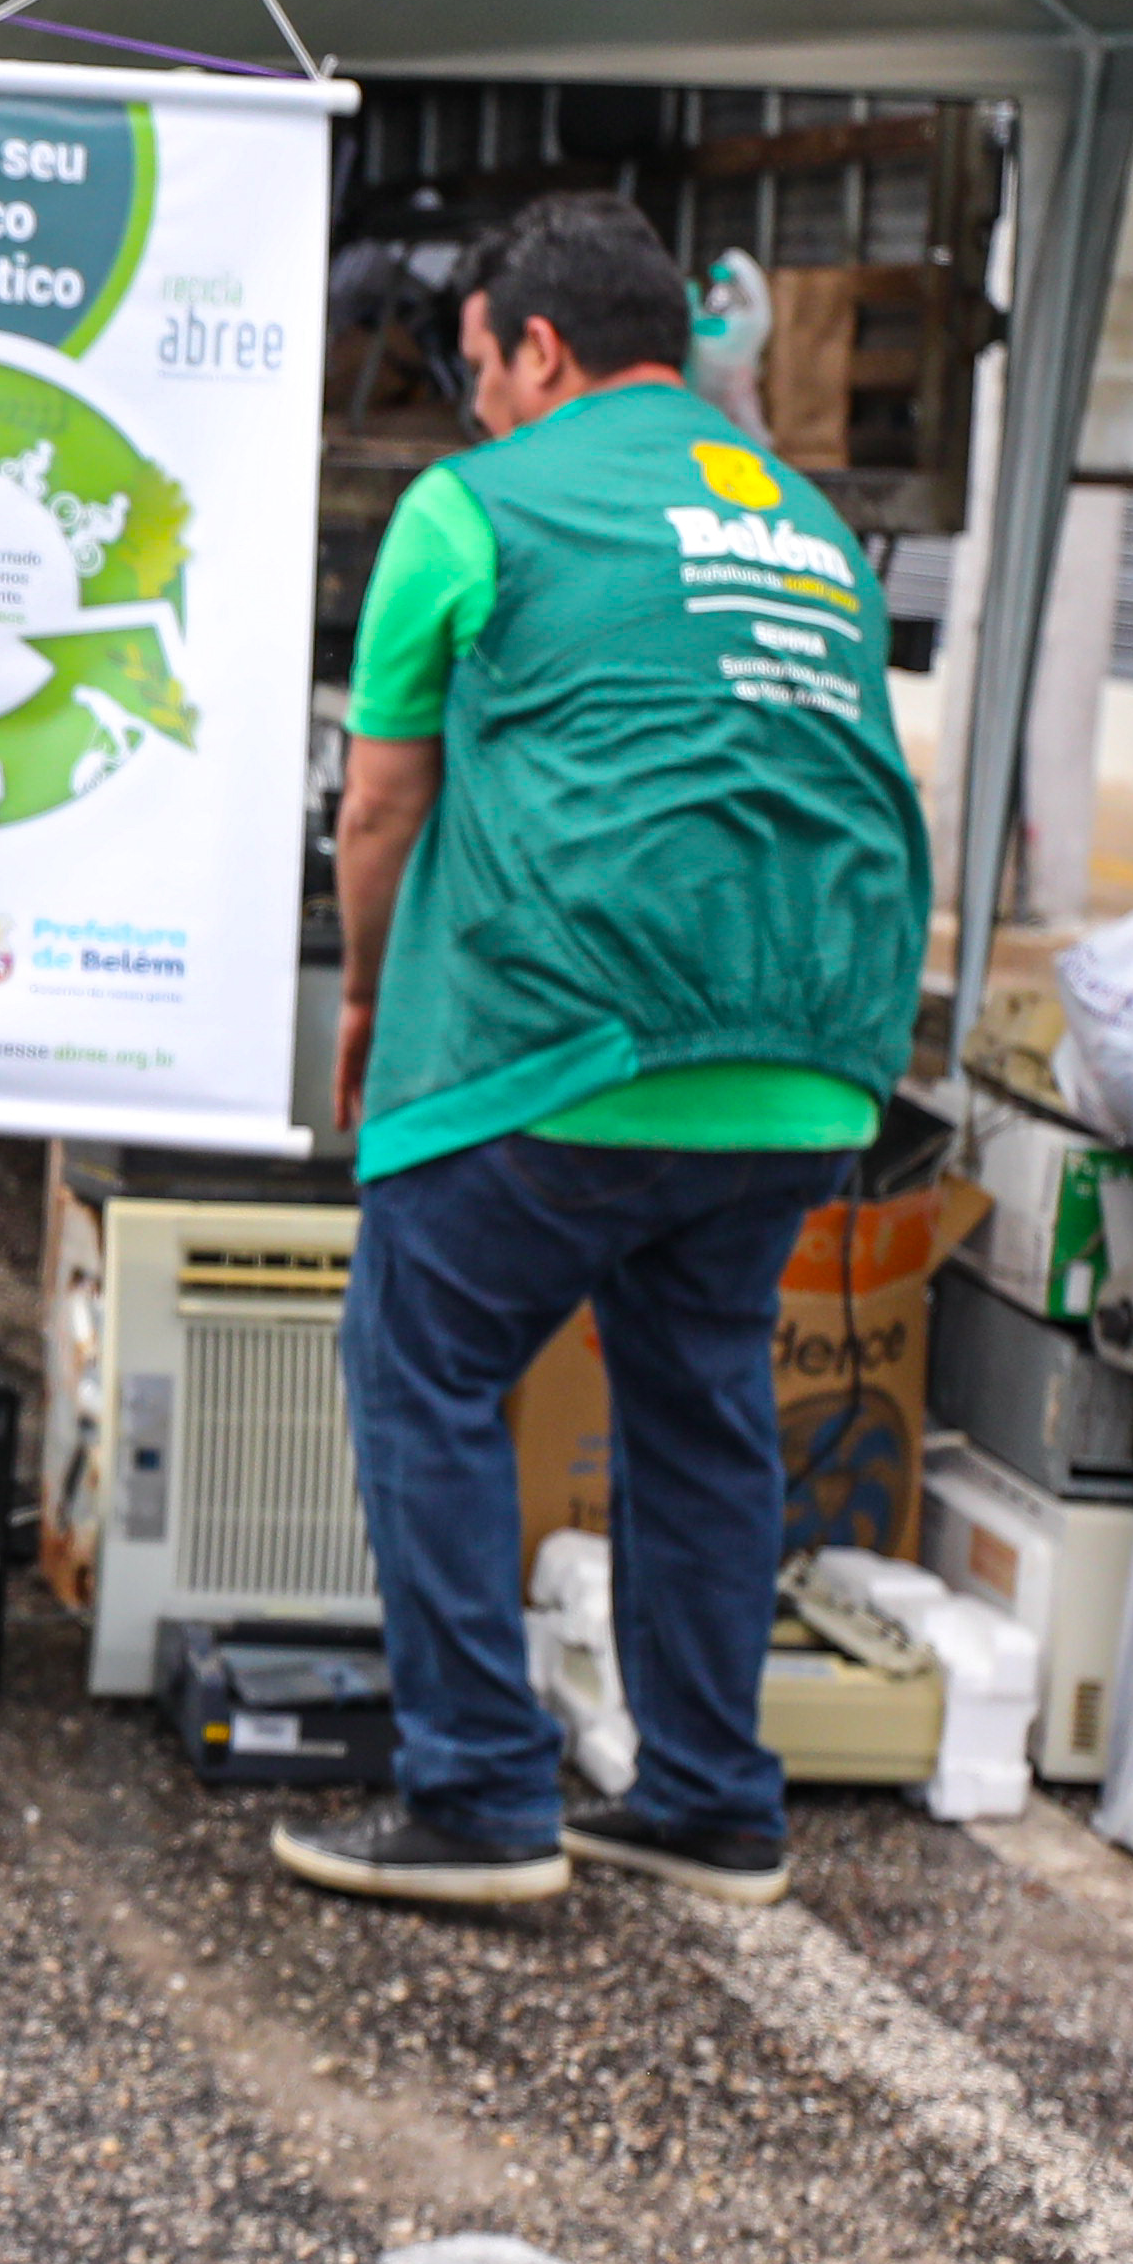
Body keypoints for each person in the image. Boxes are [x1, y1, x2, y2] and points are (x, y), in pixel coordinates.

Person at [284, 189, 933, 1914]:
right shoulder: (805, 520)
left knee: (424, 1365)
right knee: (699, 1394)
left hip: (576, 1026)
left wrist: (363, 1013)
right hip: (813, 1050)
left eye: (483, 365)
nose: (475, 399)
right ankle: (716, 1798)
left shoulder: (472, 505)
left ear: (543, 349)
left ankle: (483, 1795)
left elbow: (380, 803)